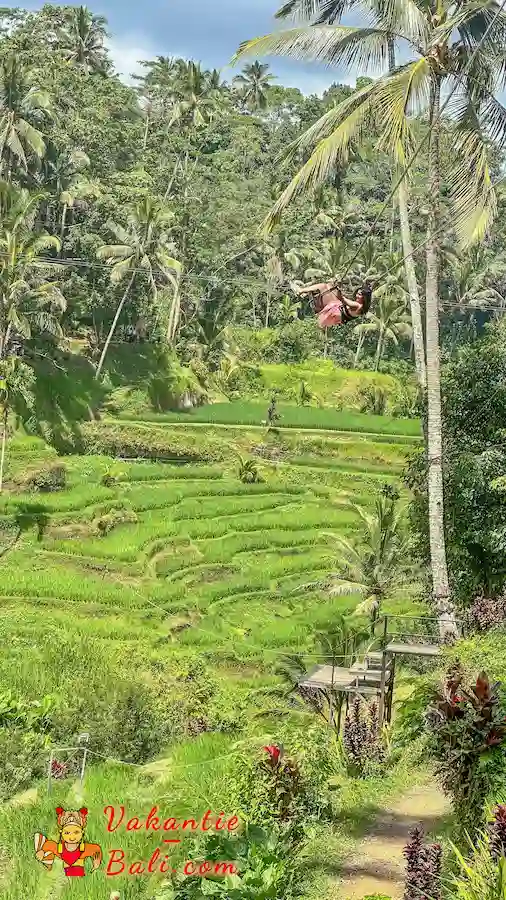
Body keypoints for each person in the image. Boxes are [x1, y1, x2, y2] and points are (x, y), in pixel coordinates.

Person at [295, 280, 372, 328]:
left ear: (364, 297)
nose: (357, 296)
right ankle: (305, 293)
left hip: (335, 314)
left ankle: (301, 291)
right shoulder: (362, 307)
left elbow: (343, 299)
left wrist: (338, 291)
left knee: (323, 286)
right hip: (339, 315)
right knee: (328, 286)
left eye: (360, 295)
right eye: (357, 294)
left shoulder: (357, 305)